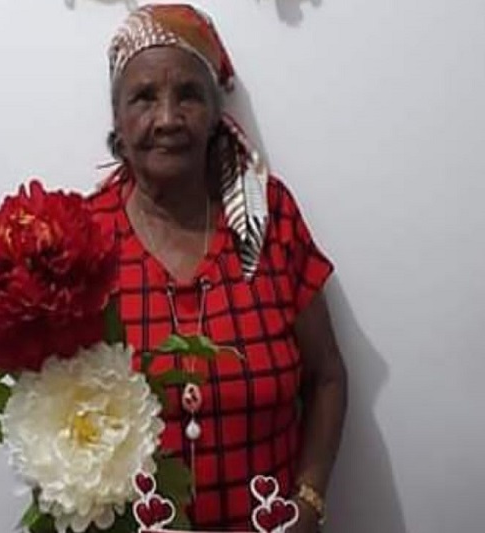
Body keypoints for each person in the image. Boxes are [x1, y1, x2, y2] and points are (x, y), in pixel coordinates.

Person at [88, 5, 347, 531]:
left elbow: (326, 377)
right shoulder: (83, 239)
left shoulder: (268, 217)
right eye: (144, 97)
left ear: (214, 113)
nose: (167, 118)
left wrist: (309, 503)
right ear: (117, 118)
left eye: (188, 94)